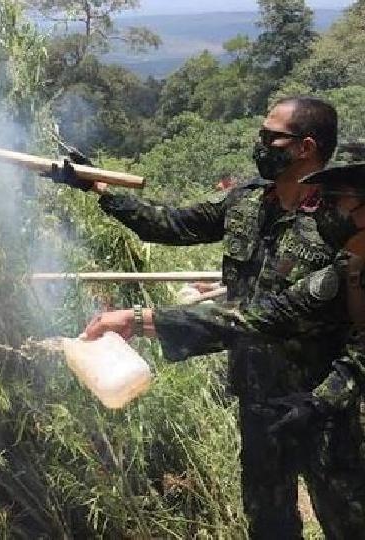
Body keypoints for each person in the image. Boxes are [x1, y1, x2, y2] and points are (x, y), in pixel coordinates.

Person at [54, 96, 342, 538]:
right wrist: (99, 188)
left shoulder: (341, 220)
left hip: (324, 401)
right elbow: (168, 224)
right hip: (259, 394)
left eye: (270, 137)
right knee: (268, 521)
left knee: (347, 517)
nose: (259, 145)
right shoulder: (245, 202)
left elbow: (265, 317)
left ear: (305, 147)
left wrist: (139, 319)